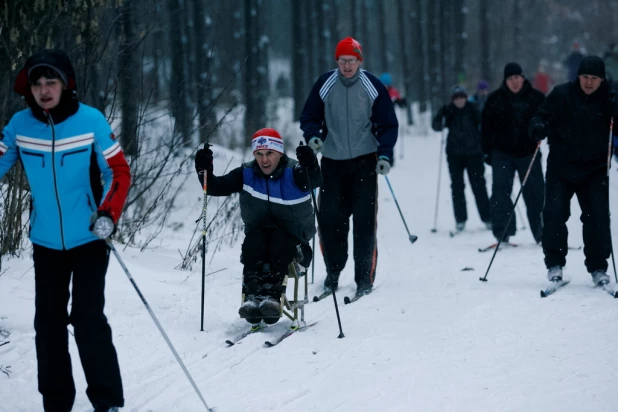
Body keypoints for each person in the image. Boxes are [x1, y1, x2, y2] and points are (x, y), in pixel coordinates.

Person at [0, 49, 130, 411]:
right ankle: (56, 403)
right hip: (46, 242)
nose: (44, 89)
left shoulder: (90, 121)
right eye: (37, 83)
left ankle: (107, 402)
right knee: (48, 325)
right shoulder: (20, 126)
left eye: (50, 81)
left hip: (90, 236)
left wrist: (107, 213)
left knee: (88, 319)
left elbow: (118, 172)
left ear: (65, 84)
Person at [299, 36, 398, 298]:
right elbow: (309, 116)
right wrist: (313, 135)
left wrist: (385, 155)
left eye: (351, 61)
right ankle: (333, 271)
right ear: (337, 61)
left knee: (364, 222)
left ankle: (364, 278)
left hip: (365, 162)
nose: (346, 66)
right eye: (342, 61)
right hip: (331, 162)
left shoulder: (372, 85)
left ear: (359, 61)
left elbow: (387, 124)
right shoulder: (326, 83)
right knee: (331, 220)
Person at [194, 128, 322, 324]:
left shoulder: (295, 172)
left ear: (280, 152)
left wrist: (310, 163)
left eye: (270, 153)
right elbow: (214, 187)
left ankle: (273, 296)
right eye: (259, 154)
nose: (264, 160)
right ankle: (253, 296)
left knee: (279, 237)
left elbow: (315, 180)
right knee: (254, 238)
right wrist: (204, 169)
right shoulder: (246, 174)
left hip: (295, 246)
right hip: (260, 244)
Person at [530, 56, 618, 285]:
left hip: (595, 169)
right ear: (578, 76)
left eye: (594, 78)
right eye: (585, 77)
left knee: (598, 217)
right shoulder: (561, 95)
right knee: (555, 214)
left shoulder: (610, 98)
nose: (589, 83)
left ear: (601, 80)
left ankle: (598, 267)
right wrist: (538, 127)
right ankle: (555, 264)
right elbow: (540, 115)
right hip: (562, 167)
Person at [482, 62, 545, 244]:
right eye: (510, 79)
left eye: (517, 77)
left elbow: (549, 120)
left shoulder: (536, 98)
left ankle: (543, 233)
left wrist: (543, 131)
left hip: (529, 153)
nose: (514, 82)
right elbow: (485, 128)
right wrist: (486, 151)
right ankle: (503, 233)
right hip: (502, 153)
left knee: (536, 193)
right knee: (500, 192)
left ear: (523, 78)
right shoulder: (495, 99)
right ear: (506, 81)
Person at [432, 85, 491, 232]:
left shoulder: (473, 108)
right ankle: (460, 219)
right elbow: (436, 126)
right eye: (456, 98)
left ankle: (488, 218)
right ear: (453, 100)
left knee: (479, 186)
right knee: (457, 187)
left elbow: (485, 124)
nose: (459, 101)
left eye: (461, 97)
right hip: (454, 155)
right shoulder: (449, 110)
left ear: (465, 97)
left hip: (474, 154)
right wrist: (441, 117)